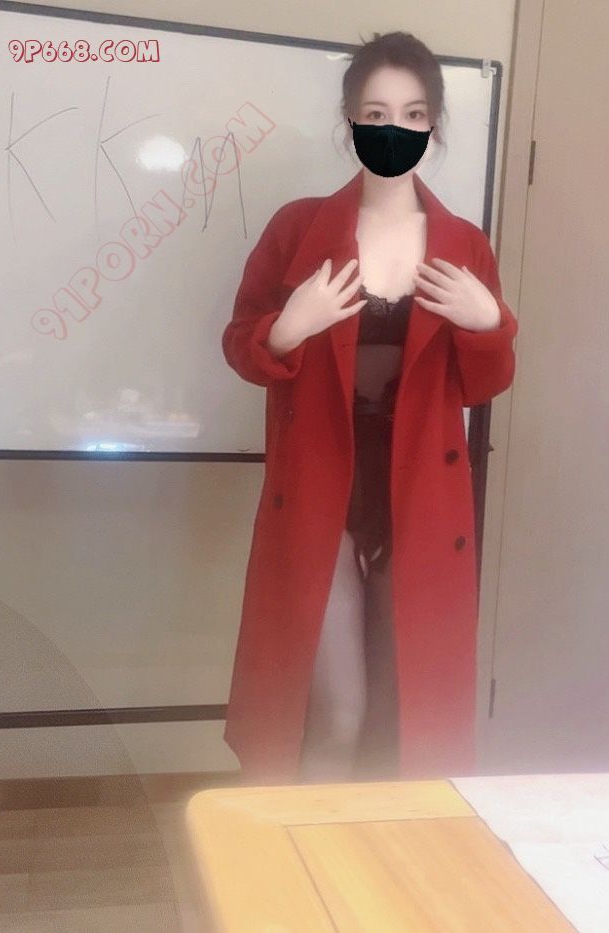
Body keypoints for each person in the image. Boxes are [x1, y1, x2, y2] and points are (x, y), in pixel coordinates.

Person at [222, 31, 518, 785]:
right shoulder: (298, 228)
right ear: (350, 119)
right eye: (377, 113)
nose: (394, 130)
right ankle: (309, 853)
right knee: (338, 713)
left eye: (413, 114)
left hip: (421, 498)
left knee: (404, 718)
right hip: (320, 492)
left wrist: (489, 323)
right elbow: (241, 347)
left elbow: (482, 384)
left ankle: (383, 858)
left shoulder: (463, 244)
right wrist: (288, 326)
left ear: (433, 125)